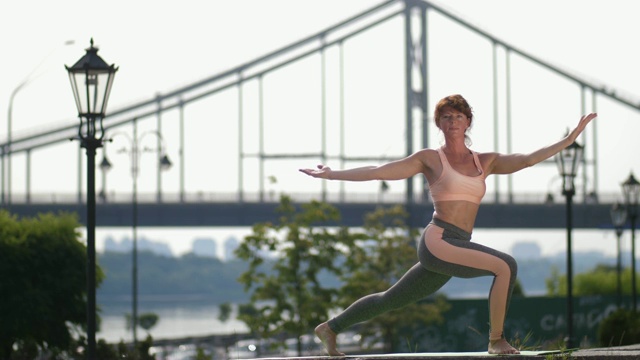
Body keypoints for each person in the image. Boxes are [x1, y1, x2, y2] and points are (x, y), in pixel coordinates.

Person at [299, 94, 597, 355]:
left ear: (468, 121)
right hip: (439, 240)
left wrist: (568, 140)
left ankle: (331, 327)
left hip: (459, 243)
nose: (452, 120)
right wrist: (332, 174)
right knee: (505, 266)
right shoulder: (430, 158)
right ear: (439, 124)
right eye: (445, 116)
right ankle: (496, 340)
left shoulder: (486, 161)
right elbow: (380, 171)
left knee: (391, 299)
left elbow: (528, 159)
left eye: (458, 115)